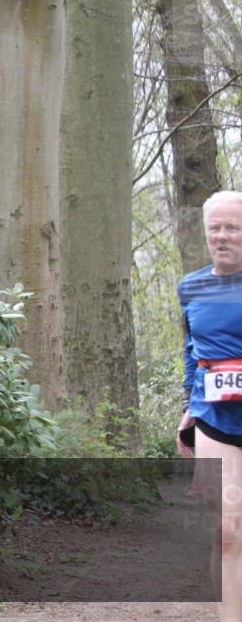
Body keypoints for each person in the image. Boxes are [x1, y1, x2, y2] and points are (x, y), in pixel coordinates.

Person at [175, 190, 242, 622]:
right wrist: (189, 405)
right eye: (214, 228)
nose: (222, 236)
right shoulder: (191, 287)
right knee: (228, 529)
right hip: (215, 420)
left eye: (232, 228)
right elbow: (190, 350)